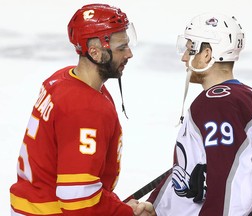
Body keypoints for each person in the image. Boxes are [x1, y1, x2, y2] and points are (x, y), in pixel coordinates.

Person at [9, 4, 151, 216]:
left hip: (33, 207)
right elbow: (78, 200)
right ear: (95, 52)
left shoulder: (62, 79)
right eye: (121, 47)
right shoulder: (86, 109)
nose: (129, 53)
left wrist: (116, 206)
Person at [144, 13, 252, 215]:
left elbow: (230, 183)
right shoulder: (244, 95)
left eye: (190, 49)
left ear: (207, 54)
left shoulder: (217, 104)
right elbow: (190, 169)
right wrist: (156, 206)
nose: (184, 57)